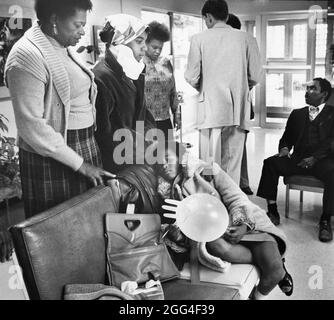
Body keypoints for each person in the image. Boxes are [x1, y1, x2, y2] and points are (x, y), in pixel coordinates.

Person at [4, 0, 114, 220]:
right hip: (54, 154)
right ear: (54, 19)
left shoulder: (61, 47)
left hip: (82, 145)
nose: (83, 31)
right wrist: (82, 165)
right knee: (59, 228)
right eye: (77, 25)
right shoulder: (26, 56)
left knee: (89, 221)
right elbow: (31, 127)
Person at [157, 141, 293, 299]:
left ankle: (275, 265)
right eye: (160, 163)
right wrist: (180, 231)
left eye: (168, 158)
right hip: (215, 237)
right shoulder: (164, 191)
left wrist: (243, 225)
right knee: (217, 246)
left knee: (275, 272)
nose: (164, 165)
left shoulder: (207, 170)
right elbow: (180, 231)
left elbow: (237, 198)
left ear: (181, 157)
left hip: (247, 227)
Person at [185, 0, 262, 185]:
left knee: (208, 162)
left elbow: (191, 76)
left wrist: (204, 86)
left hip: (209, 106)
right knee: (232, 163)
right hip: (238, 106)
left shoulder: (198, 38)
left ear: (208, 17)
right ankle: (231, 205)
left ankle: (209, 202)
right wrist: (242, 87)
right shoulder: (246, 38)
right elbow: (256, 76)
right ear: (227, 17)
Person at [257, 78, 334, 243]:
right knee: (270, 163)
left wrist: (315, 158)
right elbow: (286, 138)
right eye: (307, 88)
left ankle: (326, 220)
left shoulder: (332, 114)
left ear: (324, 94)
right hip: (298, 159)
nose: (307, 92)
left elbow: (331, 143)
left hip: (322, 160)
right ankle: (272, 211)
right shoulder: (297, 114)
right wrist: (284, 149)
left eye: (313, 89)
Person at [93, 14, 156, 174]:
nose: (145, 48)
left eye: (145, 42)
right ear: (118, 42)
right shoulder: (101, 77)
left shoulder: (135, 72)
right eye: (139, 41)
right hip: (118, 167)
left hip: (140, 158)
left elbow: (144, 114)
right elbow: (105, 134)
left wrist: (151, 142)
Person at [226, 13, 254, 195]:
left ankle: (242, 182)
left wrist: (242, 88)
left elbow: (252, 75)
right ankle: (237, 183)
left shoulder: (243, 46)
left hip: (240, 104)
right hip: (224, 106)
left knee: (238, 147)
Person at [143, 21, 179, 140]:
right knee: (147, 157)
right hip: (145, 122)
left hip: (165, 120)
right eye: (154, 47)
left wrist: (177, 114)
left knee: (168, 155)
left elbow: (173, 91)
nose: (158, 51)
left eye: (161, 48)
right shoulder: (138, 63)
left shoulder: (166, 62)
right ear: (145, 43)